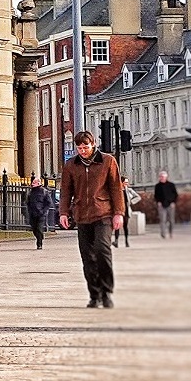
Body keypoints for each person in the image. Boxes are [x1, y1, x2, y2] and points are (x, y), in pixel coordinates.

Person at [59, 129, 125, 309]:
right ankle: (94, 295)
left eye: (86, 147)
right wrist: (63, 212)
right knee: (87, 258)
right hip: (82, 215)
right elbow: (66, 191)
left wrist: (119, 212)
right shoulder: (71, 165)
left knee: (102, 251)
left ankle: (106, 292)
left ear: (93, 143)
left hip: (103, 213)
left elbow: (116, 188)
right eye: (79, 148)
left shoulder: (108, 161)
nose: (83, 150)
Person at [25, 174, 53, 250]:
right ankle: (40, 237)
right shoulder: (31, 192)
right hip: (32, 213)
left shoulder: (44, 192)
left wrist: (44, 211)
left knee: (39, 228)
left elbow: (48, 203)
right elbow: (28, 202)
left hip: (41, 214)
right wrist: (29, 211)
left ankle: (39, 243)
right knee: (34, 228)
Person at [152, 171, 179, 240]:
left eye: (163, 177)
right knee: (162, 220)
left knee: (171, 220)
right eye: (161, 177)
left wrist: (173, 202)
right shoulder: (157, 186)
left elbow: (175, 194)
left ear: (166, 177)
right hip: (162, 205)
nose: (162, 178)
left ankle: (171, 232)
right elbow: (156, 195)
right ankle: (163, 234)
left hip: (170, 205)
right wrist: (158, 202)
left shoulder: (171, 185)